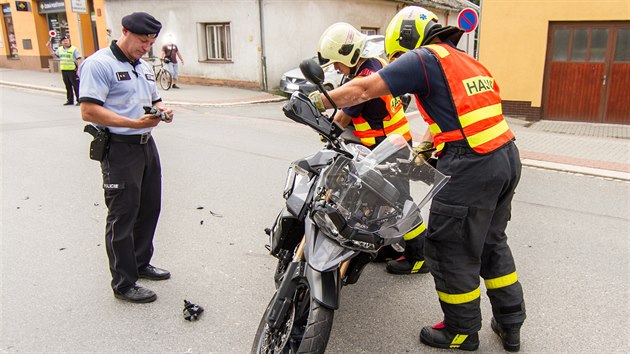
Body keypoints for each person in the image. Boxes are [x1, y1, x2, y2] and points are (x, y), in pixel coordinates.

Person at [309, 6, 526, 352]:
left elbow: (364, 89)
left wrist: (318, 100)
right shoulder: (465, 60)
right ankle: (510, 323)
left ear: (406, 42)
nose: (396, 65)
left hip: (472, 164)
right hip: (505, 156)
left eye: (396, 57)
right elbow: (459, 114)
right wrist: (426, 147)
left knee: (450, 247)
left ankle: (460, 331)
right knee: (491, 242)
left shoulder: (424, 58)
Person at [313, 22, 428, 275]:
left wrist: (323, 128)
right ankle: (391, 248)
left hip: (391, 148)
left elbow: (342, 118)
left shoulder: (365, 78)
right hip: (385, 145)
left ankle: (420, 257)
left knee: (401, 202)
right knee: (381, 200)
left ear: (348, 54)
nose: (334, 68)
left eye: (336, 62)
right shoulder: (371, 65)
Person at [78, 12, 174, 303]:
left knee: (149, 208)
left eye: (151, 42)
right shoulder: (100, 64)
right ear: (125, 32)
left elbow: (154, 99)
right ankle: (123, 281)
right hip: (119, 147)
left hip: (146, 145)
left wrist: (163, 110)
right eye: (142, 41)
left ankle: (141, 263)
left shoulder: (143, 67)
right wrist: (132, 123)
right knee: (123, 214)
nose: (146, 47)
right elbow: (89, 110)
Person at [46, 36, 81, 106]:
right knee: (67, 86)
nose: (65, 42)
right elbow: (54, 55)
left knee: (76, 86)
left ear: (69, 41)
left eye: (67, 40)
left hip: (72, 70)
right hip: (64, 69)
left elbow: (79, 59)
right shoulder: (60, 49)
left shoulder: (74, 49)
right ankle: (70, 100)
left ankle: (79, 100)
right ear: (61, 42)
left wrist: (79, 69)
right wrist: (48, 47)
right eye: (64, 41)